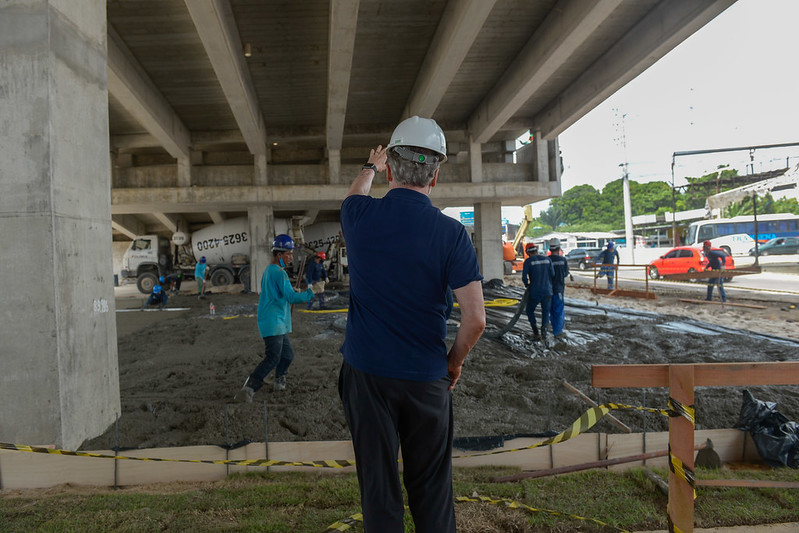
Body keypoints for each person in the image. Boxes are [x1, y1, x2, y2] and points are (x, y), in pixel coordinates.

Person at [338, 116, 486, 532]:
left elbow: (355, 194)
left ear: (389, 170)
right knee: (432, 490)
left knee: (379, 489)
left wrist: (368, 167)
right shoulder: (452, 235)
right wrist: (453, 362)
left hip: (366, 376)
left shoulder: (358, 217)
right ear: (435, 176)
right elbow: (475, 319)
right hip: (426, 376)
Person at [237, 234, 317, 401]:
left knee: (287, 355)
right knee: (273, 357)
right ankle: (248, 388)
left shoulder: (270, 270)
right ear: (279, 254)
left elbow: (282, 293)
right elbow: (291, 297)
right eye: (288, 254)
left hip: (275, 321)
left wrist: (294, 292)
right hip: (273, 322)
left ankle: (279, 381)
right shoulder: (280, 274)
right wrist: (312, 292)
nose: (290, 258)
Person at [522, 243, 554, 345]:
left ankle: (536, 333)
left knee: (529, 310)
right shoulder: (548, 260)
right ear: (536, 250)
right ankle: (544, 335)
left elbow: (524, 278)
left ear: (527, 252)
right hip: (548, 291)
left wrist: (527, 285)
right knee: (546, 312)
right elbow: (552, 274)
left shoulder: (528, 261)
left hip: (535, 291)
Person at [548, 238, 570, 337]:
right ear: (559, 248)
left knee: (550, 310)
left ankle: (553, 329)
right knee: (559, 310)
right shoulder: (563, 260)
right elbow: (565, 274)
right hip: (559, 289)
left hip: (548, 290)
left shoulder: (547, 260)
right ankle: (558, 332)